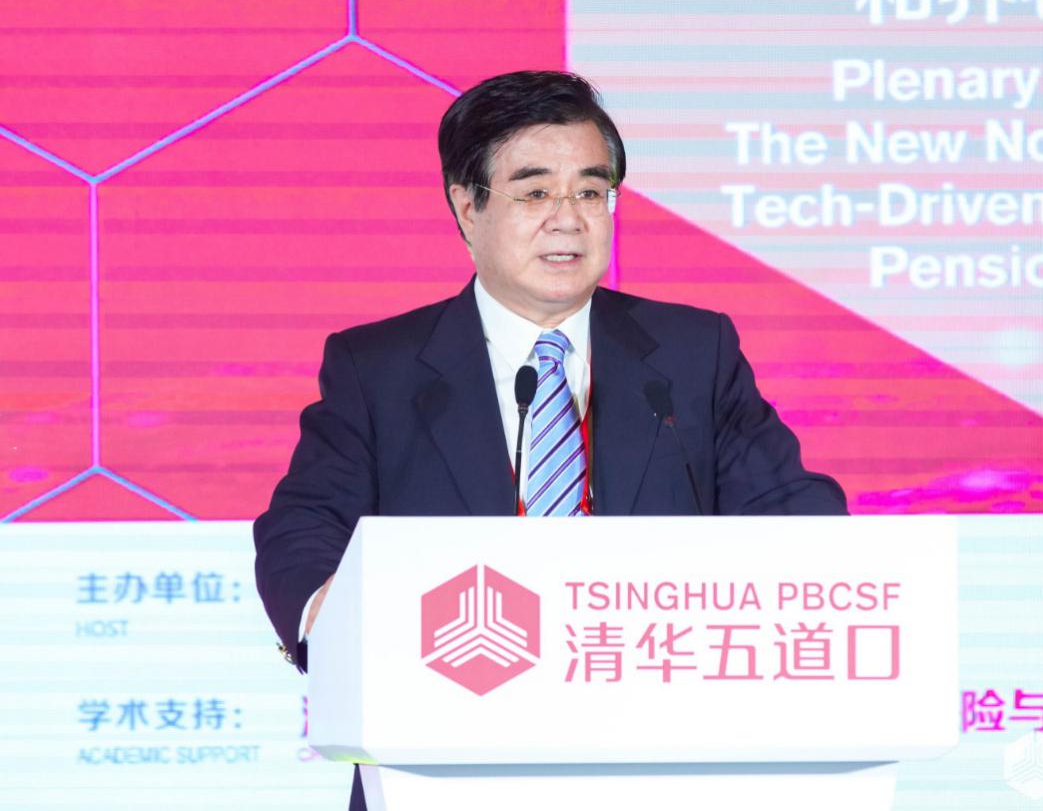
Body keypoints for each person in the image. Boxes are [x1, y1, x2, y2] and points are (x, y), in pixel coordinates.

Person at [253, 70, 847, 810]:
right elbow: (304, 526)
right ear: (466, 207)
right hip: (441, 754)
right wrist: (335, 619)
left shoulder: (693, 354)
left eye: (591, 193)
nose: (568, 220)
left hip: (664, 756)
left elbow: (792, 509)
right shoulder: (377, 368)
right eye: (534, 193)